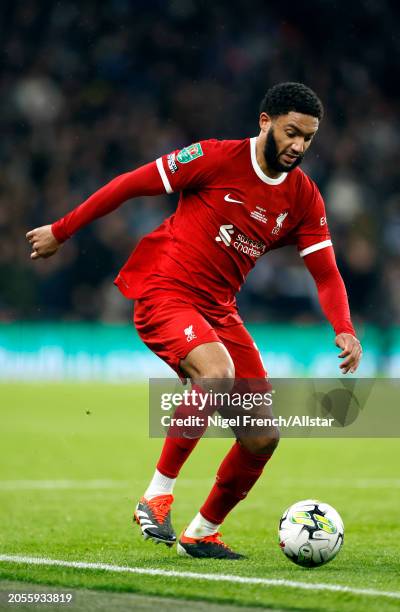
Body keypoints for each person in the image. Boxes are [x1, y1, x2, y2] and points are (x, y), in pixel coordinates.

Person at [26, 82, 362, 559]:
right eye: (291, 133)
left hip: (220, 311)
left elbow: (325, 273)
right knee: (217, 372)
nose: (298, 147)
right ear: (265, 122)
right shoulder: (213, 158)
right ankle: (157, 495)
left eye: (308, 138)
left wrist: (343, 327)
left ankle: (202, 532)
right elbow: (129, 184)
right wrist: (61, 231)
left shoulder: (303, 197)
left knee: (263, 436)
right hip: (166, 292)